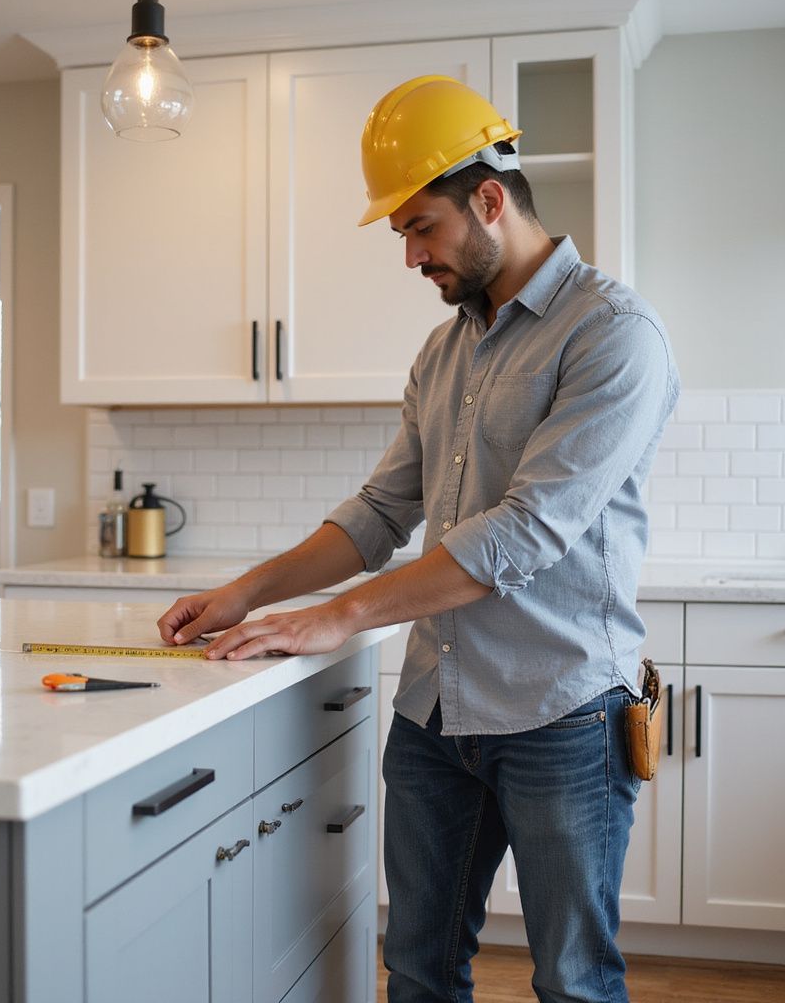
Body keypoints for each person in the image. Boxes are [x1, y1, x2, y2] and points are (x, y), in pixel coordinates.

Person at [157, 74, 680, 1003]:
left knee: (572, 980)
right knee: (417, 972)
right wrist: (250, 593)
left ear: (489, 200)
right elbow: (376, 514)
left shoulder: (613, 333)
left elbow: (527, 530)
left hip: (564, 712)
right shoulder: (444, 352)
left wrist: (340, 619)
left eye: (419, 228)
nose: (409, 257)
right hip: (436, 716)